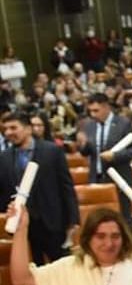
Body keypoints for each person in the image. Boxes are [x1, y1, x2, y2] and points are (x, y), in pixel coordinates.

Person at [0, 111, 79, 264]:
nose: (8, 133)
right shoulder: (3, 157)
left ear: (28, 129)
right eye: (5, 129)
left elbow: (66, 187)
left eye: (13, 128)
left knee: (61, 267)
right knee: (34, 270)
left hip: (52, 222)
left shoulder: (52, 151)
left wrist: (72, 219)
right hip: (23, 226)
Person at [76, 93, 132, 220]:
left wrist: (114, 156)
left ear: (106, 107)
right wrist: (83, 144)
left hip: (119, 178)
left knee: (122, 218)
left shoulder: (123, 123)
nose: (93, 114)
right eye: (91, 111)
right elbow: (86, 152)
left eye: (96, 111)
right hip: (96, 178)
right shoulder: (89, 125)